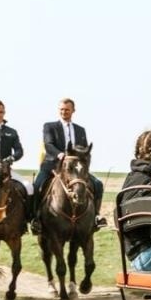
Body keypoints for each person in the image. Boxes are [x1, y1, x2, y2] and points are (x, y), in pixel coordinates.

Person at [31, 98, 104, 230]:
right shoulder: (49, 126)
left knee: (98, 184)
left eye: (67, 110)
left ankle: (96, 217)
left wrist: (84, 165)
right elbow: (48, 144)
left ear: (73, 111)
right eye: (62, 109)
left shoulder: (80, 130)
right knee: (37, 186)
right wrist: (61, 155)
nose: (64, 112)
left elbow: (84, 150)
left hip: (75, 170)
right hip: (52, 166)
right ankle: (35, 218)